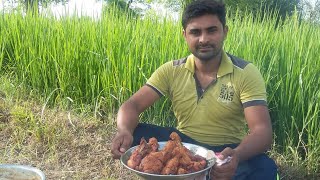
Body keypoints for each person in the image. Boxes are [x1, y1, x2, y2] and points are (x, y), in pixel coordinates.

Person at [111, 0, 278, 179]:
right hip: (184, 145)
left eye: (211, 30)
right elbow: (133, 105)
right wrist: (124, 130)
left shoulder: (245, 73)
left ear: (225, 32)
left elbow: (262, 131)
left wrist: (236, 155)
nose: (204, 39)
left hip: (226, 151)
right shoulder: (172, 70)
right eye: (195, 32)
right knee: (137, 133)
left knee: (265, 168)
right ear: (185, 35)